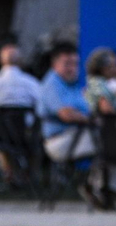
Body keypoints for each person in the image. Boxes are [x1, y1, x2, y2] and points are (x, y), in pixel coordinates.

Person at [83, 47, 116, 209]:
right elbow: (107, 109)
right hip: (102, 133)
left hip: (109, 133)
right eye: (114, 66)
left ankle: (104, 191)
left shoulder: (106, 84)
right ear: (103, 68)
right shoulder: (97, 83)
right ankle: (100, 190)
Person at [38, 42, 94, 172]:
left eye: (75, 64)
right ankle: (98, 187)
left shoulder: (72, 84)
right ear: (54, 64)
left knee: (115, 138)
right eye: (67, 64)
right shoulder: (52, 84)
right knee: (111, 140)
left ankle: (103, 187)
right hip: (60, 141)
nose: (72, 68)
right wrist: (92, 120)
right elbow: (66, 114)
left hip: (77, 135)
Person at [0, 44, 42, 109]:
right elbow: (41, 102)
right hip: (25, 118)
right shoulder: (32, 82)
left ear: (1, 60)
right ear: (20, 60)